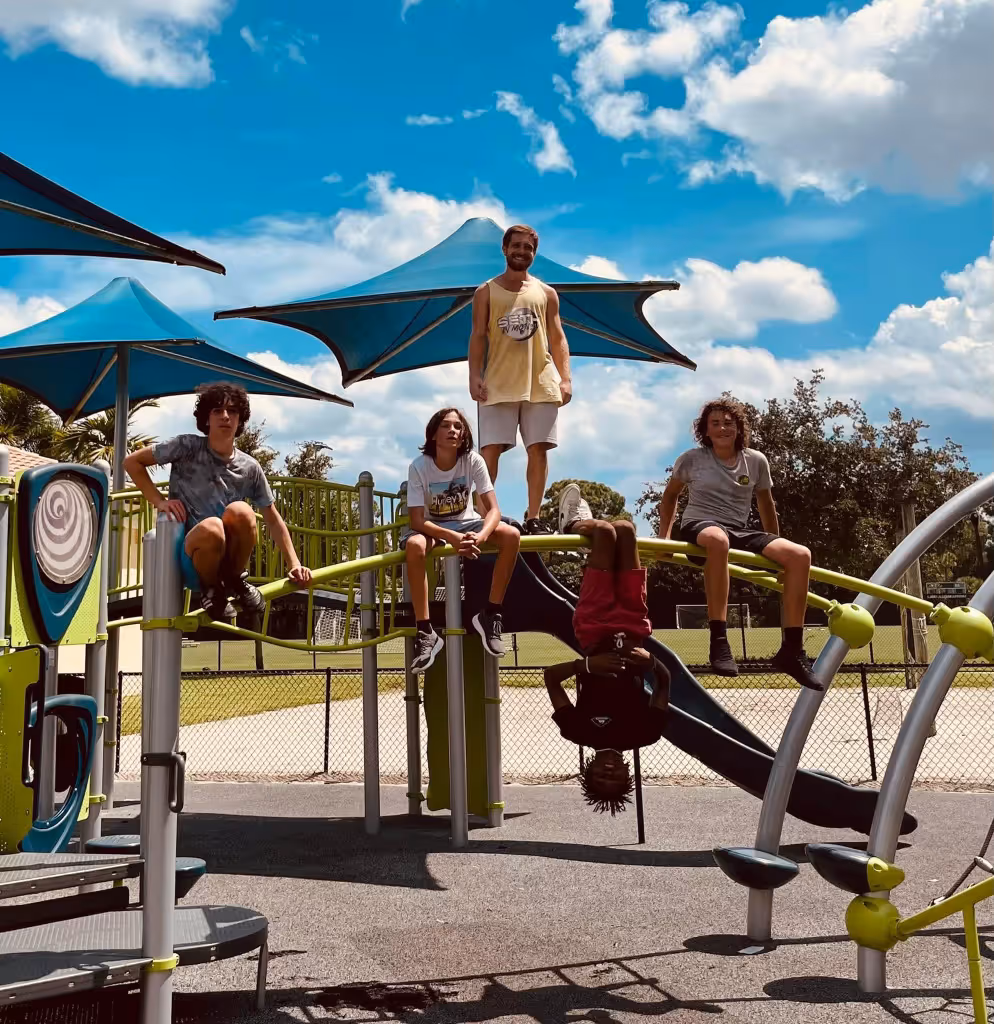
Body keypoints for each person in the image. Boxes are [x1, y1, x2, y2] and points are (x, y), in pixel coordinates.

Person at [655, 398, 822, 690]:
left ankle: (792, 650)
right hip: (699, 525)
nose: (722, 428)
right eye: (715, 423)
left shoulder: (755, 461)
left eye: (728, 423)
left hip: (739, 530)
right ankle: (719, 639)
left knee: (800, 555)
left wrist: (777, 555)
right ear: (705, 431)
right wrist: (664, 538)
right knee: (718, 540)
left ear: (739, 428)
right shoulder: (692, 459)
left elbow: (766, 506)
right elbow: (670, 497)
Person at [123, 382, 313, 620]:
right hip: (191, 557)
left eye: (232, 411)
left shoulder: (249, 467)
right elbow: (132, 462)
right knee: (212, 526)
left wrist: (294, 563)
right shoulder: (187, 447)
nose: (225, 416)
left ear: (240, 419)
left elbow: (273, 519)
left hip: (228, 557)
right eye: (217, 411)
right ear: (207, 418)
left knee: (242, 511)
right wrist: (159, 501)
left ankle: (235, 580)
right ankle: (211, 589)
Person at [543, 483, 671, 816]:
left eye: (600, 776)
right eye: (615, 777)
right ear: (629, 774)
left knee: (603, 532)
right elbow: (665, 682)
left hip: (595, 627)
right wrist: (652, 661)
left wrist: (587, 666)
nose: (609, 771)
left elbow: (551, 679)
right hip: (632, 624)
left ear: (588, 770)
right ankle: (583, 523)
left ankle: (571, 524)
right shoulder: (646, 733)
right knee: (626, 530)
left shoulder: (576, 730)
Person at [468, 223, 572, 535]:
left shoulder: (546, 293)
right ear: (505, 249)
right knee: (491, 450)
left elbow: (558, 337)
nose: (521, 252)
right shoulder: (486, 291)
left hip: (540, 381)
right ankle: (482, 513)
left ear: (534, 253)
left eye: (528, 247)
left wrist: (565, 378)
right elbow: (477, 337)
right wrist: (474, 375)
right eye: (517, 246)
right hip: (497, 381)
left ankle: (534, 516)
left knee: (538, 448)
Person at [403, 407, 521, 673]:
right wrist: (453, 538)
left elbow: (493, 510)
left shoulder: (473, 461)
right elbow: (417, 521)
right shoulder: (419, 466)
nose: (453, 431)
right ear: (433, 434)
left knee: (512, 535)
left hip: (468, 523)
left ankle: (491, 613)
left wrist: (479, 537)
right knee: (414, 545)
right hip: (434, 526)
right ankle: (426, 631)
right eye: (446, 426)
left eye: (458, 426)